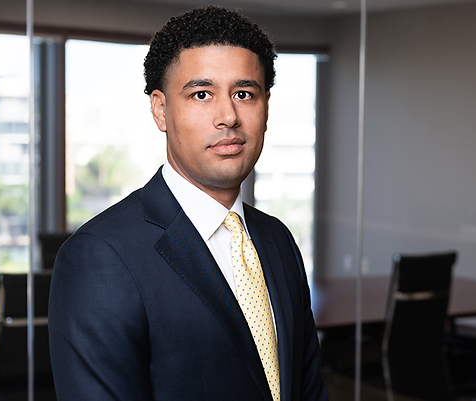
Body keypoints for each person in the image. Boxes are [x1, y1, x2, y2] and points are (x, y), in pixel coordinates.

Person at [48, 6, 328, 401]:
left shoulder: (277, 241)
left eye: (244, 94)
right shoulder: (101, 257)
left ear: (266, 107)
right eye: (202, 94)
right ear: (160, 110)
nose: (228, 116)